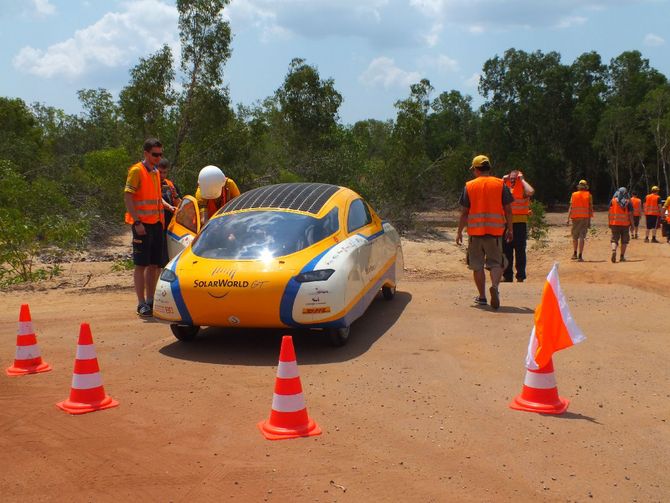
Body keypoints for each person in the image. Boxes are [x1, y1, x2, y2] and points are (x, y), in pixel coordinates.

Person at [456, 155, 514, 310]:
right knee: (497, 262)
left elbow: (464, 213)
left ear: (476, 169)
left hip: (475, 233)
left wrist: (459, 232)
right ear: (489, 168)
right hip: (495, 232)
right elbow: (508, 209)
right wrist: (510, 229)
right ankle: (494, 286)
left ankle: (482, 297)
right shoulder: (500, 184)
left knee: (477, 265)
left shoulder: (469, 186)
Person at [124, 138, 165, 317]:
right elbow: (128, 197)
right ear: (146, 153)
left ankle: (150, 300)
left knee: (154, 265)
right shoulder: (136, 171)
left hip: (156, 224)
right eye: (155, 154)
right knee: (141, 265)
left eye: (160, 154)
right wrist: (137, 222)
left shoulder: (156, 172)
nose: (158, 158)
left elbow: (156, 199)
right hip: (142, 225)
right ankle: (141, 303)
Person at [501, 169, 535, 283]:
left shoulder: (523, 188)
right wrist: (502, 180)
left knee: (520, 250)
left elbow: (531, 192)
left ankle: (520, 276)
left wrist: (522, 180)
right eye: (511, 177)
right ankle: (507, 276)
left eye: (515, 178)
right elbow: (495, 191)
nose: (513, 179)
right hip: (505, 223)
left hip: (520, 223)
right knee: (506, 250)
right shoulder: (505, 186)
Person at [158, 158, 182, 266]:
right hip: (158, 224)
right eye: (160, 172)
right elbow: (158, 199)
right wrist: (170, 207)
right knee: (159, 256)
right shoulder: (152, 184)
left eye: (164, 172)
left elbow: (178, 200)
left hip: (171, 225)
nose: (162, 175)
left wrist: (183, 207)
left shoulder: (170, 185)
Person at [566, 179, 593, 261]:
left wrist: (567, 218)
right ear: (585, 187)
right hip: (584, 218)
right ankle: (580, 255)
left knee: (575, 236)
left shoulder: (574, 194)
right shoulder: (589, 195)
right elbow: (590, 209)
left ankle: (574, 253)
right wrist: (589, 221)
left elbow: (571, 207)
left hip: (575, 218)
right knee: (582, 237)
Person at [608, 187, 635, 263]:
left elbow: (609, 213)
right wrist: (632, 225)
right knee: (624, 241)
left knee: (614, 239)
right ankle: (622, 256)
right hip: (625, 225)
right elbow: (630, 215)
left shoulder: (612, 201)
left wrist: (609, 222)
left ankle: (614, 250)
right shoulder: (628, 202)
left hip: (614, 223)